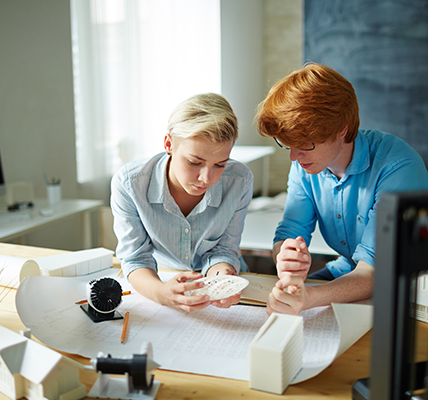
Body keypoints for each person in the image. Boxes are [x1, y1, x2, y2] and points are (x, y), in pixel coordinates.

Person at [256, 62, 428, 315]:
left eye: (304, 145)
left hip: (409, 286)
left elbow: (373, 271)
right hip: (348, 271)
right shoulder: (306, 164)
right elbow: (290, 231)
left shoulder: (397, 167)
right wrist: (286, 257)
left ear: (342, 129)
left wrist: (310, 297)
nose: (294, 157)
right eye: (287, 145)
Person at [111, 93, 253, 313]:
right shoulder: (129, 184)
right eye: (195, 162)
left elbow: (224, 250)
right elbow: (135, 258)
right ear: (169, 144)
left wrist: (222, 280)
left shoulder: (239, 180)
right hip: (160, 279)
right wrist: (161, 293)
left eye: (220, 165)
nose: (207, 178)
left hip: (224, 284)